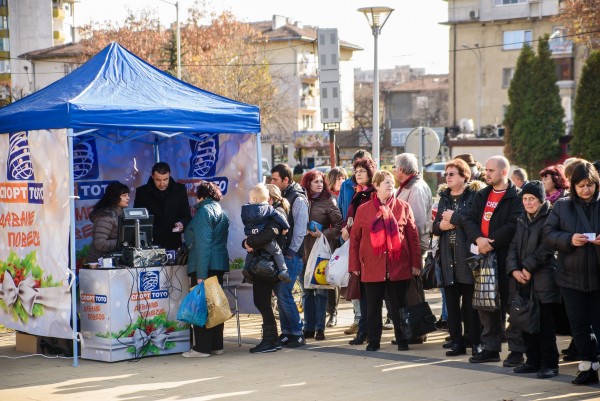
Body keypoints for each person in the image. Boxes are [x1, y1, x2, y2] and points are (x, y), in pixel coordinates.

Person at [349, 170, 421, 351]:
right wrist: (354, 266)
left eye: (391, 182)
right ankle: (374, 341)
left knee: (398, 306)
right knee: (373, 308)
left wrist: (416, 263)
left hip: (398, 265)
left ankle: (402, 339)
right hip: (372, 266)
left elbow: (413, 237)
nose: (390, 185)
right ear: (376, 186)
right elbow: (355, 240)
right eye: (386, 182)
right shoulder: (364, 210)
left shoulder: (403, 207)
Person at [463, 155, 524, 364]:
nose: (486, 174)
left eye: (491, 171)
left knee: (512, 305)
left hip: (506, 258)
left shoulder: (516, 196)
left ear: (504, 172)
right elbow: (470, 219)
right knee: (485, 304)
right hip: (483, 256)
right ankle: (490, 348)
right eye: (486, 170)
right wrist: (478, 239)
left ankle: (517, 350)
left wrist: (491, 243)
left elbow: (513, 225)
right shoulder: (482, 195)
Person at [544, 161, 600, 385]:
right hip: (570, 277)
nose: (586, 190)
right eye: (581, 185)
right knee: (578, 327)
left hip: (598, 276)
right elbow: (548, 234)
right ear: (573, 186)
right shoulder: (562, 206)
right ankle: (587, 365)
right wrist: (569, 239)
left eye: (590, 185)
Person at [506, 181, 560, 379]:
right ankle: (532, 361)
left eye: (532, 199)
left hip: (544, 279)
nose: (528, 203)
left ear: (540, 200)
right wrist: (513, 269)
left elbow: (548, 246)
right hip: (522, 279)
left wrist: (527, 267)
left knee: (546, 324)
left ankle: (550, 364)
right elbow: (513, 246)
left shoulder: (551, 218)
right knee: (526, 321)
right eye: (525, 199)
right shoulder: (521, 219)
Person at [432, 159, 483, 357]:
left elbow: (474, 222)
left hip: (467, 258)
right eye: (447, 174)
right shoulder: (444, 197)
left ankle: (475, 342)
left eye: (452, 173)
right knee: (452, 306)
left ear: (464, 176)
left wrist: (454, 219)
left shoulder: (473, 196)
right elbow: (435, 226)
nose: (448, 177)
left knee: (471, 306)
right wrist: (441, 227)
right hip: (447, 258)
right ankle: (456, 343)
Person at [182, 182, 229, 358]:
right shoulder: (221, 211)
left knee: (201, 306)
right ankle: (217, 345)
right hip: (217, 264)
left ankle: (201, 348)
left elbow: (203, 244)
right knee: (215, 306)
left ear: (200, 196)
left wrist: (200, 274)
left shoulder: (203, 211)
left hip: (205, 266)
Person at [243, 184, 292, 353]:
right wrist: (247, 242)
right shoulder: (267, 214)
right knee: (261, 301)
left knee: (262, 301)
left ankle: (270, 340)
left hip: (267, 265)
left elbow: (266, 236)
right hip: (262, 263)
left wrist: (248, 242)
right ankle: (271, 339)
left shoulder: (275, 214)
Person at [394, 153, 433, 343]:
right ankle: (412, 330)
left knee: (413, 289)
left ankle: (417, 331)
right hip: (407, 246)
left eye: (394, 167)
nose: (393, 170)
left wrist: (414, 253)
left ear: (402, 170)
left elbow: (415, 223)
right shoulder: (408, 186)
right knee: (409, 289)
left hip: (413, 246)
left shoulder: (415, 189)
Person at [300, 170, 343, 340]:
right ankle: (308, 327)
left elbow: (340, 225)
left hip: (321, 252)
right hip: (303, 251)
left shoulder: (328, 200)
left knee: (321, 291)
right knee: (306, 292)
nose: (319, 184)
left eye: (321, 181)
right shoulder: (301, 200)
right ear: (307, 183)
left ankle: (320, 328)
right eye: (315, 181)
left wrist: (323, 234)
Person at [270, 163, 309, 348]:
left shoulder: (298, 199)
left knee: (284, 293)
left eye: (275, 179)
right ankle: (287, 332)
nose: (272, 182)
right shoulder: (285, 196)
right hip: (285, 254)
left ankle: (297, 332)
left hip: (292, 256)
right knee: (280, 293)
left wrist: (291, 253)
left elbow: (300, 230)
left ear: (286, 180)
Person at [341, 156, 377, 346]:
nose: (358, 174)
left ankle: (368, 331)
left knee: (368, 293)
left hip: (368, 248)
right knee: (361, 292)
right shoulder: (358, 192)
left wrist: (351, 230)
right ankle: (364, 330)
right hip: (356, 246)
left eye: (362, 171)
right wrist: (346, 228)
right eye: (356, 172)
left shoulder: (371, 193)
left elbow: (369, 221)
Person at [134, 162, 192, 250]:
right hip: (150, 244)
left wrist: (181, 224)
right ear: (152, 176)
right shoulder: (142, 192)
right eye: (158, 180)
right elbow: (137, 219)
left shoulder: (180, 190)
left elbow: (186, 215)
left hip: (173, 242)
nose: (162, 183)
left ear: (169, 175)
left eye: (165, 179)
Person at [240, 183, 291, 283]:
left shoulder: (245, 209)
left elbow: (245, 221)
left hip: (251, 236)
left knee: (250, 252)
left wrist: (249, 236)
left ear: (254, 199)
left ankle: (246, 268)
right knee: (277, 252)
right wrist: (286, 227)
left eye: (249, 197)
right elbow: (280, 217)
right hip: (265, 241)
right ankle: (283, 271)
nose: (248, 199)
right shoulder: (268, 209)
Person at [325, 166, 348, 327]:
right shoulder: (328, 197)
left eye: (343, 178)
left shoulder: (348, 194)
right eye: (338, 178)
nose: (341, 181)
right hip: (331, 242)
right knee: (331, 278)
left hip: (345, 240)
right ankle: (332, 312)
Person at [85, 182, 130, 264]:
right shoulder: (106, 216)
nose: (128, 198)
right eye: (124, 195)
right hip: (98, 264)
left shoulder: (120, 213)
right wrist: (124, 242)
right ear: (115, 197)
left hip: (109, 261)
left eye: (127, 195)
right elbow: (100, 244)